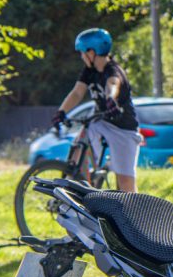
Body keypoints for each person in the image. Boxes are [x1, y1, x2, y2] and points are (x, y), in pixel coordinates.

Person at [52, 28, 142, 193]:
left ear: (92, 52)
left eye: (82, 53)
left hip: (124, 129)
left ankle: (134, 208)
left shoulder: (113, 70)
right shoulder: (89, 71)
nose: (81, 57)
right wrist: (61, 112)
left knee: (125, 185)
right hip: (102, 123)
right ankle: (81, 180)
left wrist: (111, 99)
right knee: (81, 139)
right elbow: (77, 93)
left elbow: (112, 84)